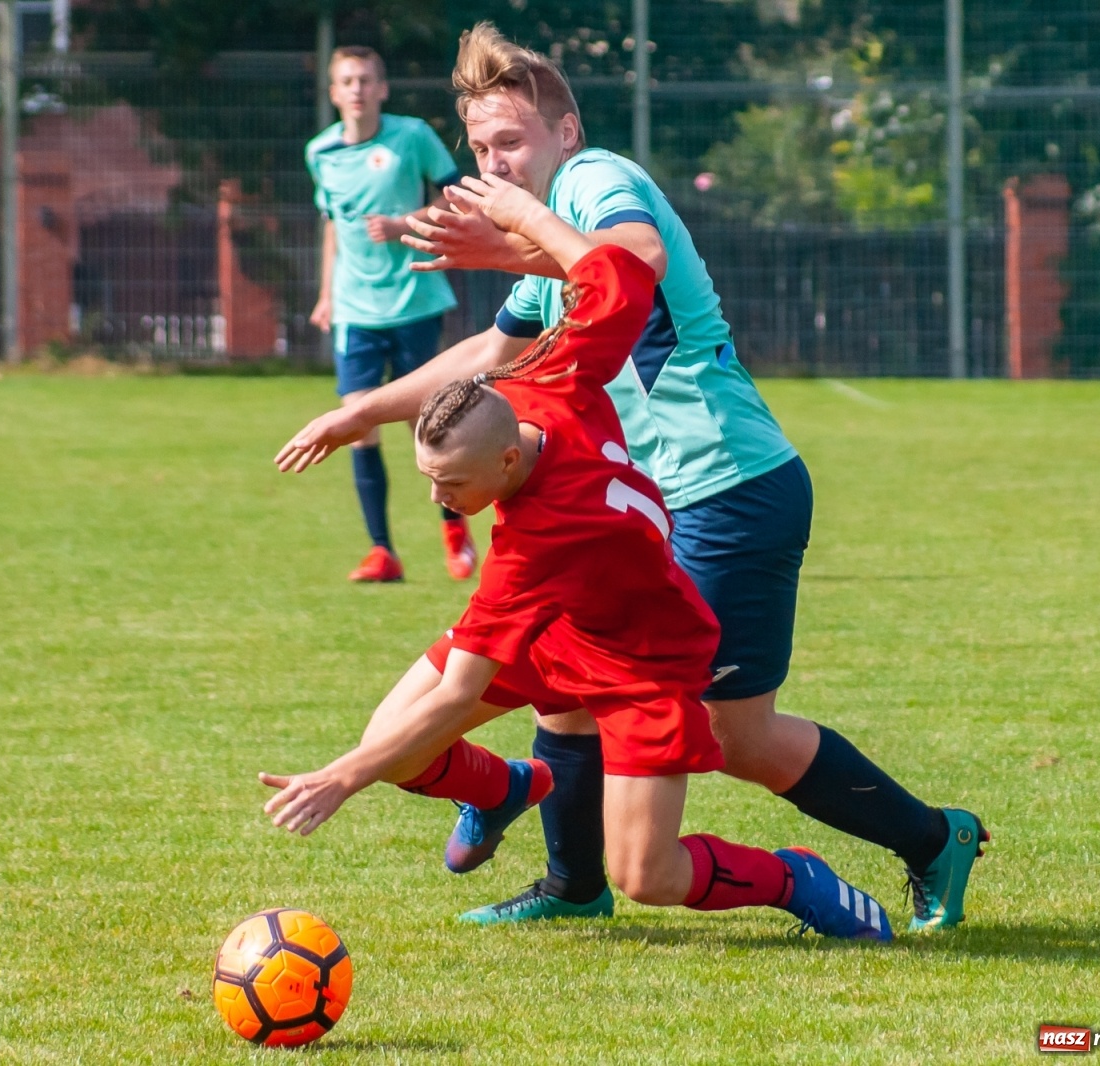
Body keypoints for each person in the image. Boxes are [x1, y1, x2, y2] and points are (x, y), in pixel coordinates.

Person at [278, 23, 985, 933]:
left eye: (512, 142)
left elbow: (634, 267)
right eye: (482, 148)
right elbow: (495, 349)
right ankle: (576, 882)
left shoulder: (593, 179)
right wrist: (364, 410)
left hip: (729, 490)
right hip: (649, 512)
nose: (495, 163)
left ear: (565, 131)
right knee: (571, 681)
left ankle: (933, 839)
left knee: (739, 739)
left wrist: (521, 230)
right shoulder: (554, 219)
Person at [261, 208, 892, 942]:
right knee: (394, 737)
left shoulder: (534, 547)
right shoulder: (544, 379)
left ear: (505, 462)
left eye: (453, 485)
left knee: (647, 876)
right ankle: (502, 790)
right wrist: (357, 414)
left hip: (642, 657)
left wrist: (343, 776)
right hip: (563, 623)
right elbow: (617, 277)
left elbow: (459, 692)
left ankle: (793, 877)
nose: (440, 501)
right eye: (429, 479)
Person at [305, 45, 477, 583]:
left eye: (366, 80)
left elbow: (459, 198)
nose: (357, 89)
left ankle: (455, 531)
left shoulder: (412, 137)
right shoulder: (320, 152)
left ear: (383, 88)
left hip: (414, 301)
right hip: (356, 309)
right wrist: (326, 293)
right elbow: (332, 224)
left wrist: (405, 223)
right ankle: (383, 552)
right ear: (334, 93)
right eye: (347, 81)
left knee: (423, 422)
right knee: (359, 424)